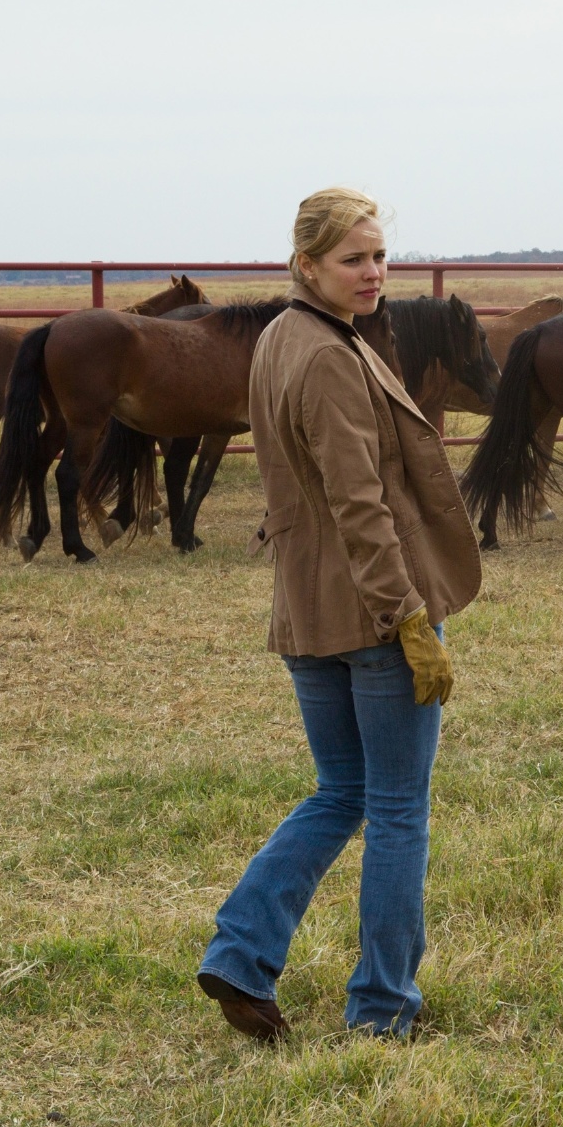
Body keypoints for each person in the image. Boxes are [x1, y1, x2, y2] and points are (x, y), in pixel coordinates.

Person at [197, 187, 481, 1040]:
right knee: (396, 806)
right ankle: (384, 1008)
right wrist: (407, 621)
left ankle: (240, 952)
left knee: (341, 791)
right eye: (354, 258)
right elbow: (362, 507)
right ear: (307, 263)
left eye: (379, 255)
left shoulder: (281, 340)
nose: (373, 272)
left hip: (308, 615)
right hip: (369, 616)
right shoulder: (324, 355)